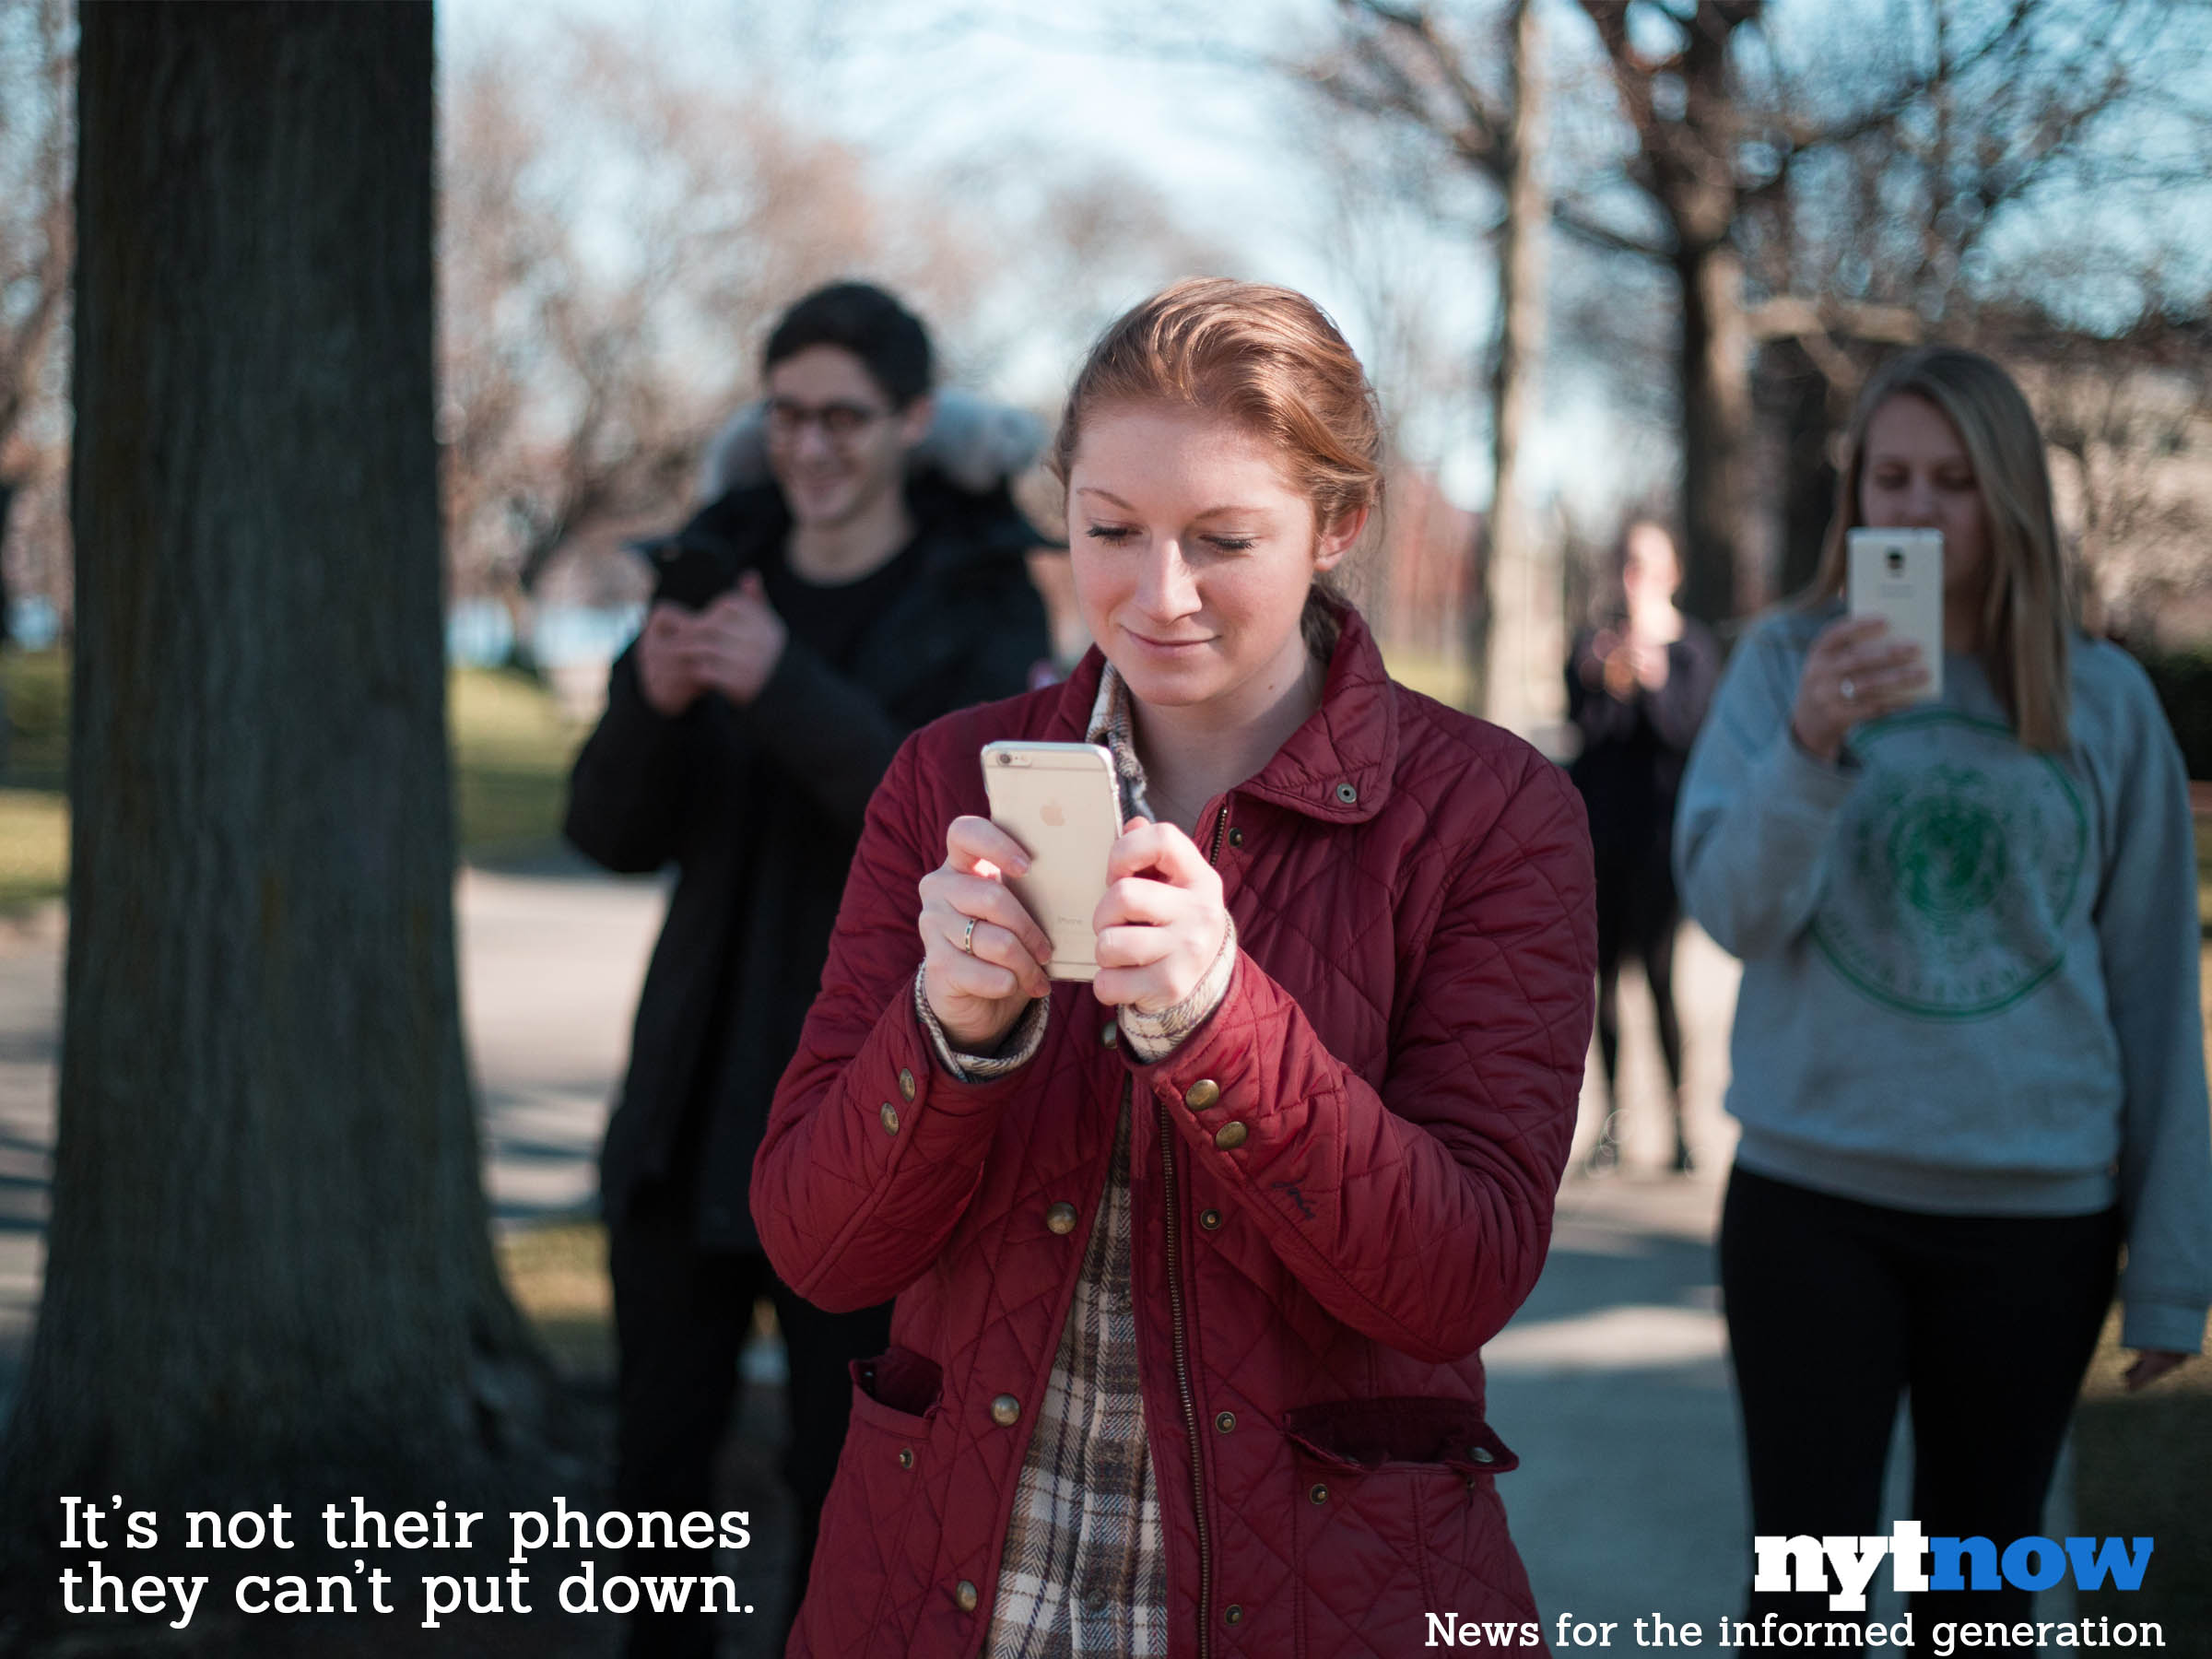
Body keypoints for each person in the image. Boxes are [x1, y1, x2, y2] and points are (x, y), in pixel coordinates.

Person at [752, 279, 1596, 1658]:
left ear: (1340, 524)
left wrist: (1221, 1023)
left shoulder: (1494, 815)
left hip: (1333, 1599)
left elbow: (1460, 1281)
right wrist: (946, 1040)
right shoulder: (947, 775)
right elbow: (819, 1245)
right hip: (949, 1595)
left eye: (1223, 540)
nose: (1159, 595)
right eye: (1111, 531)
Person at [1675, 345, 2212, 1633]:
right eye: (1890, 478)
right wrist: (1810, 747)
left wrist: (2174, 1263)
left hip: (2036, 1219)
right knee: (1804, 1598)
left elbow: (2152, 986)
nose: (1913, 512)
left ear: (2012, 499)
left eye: (1954, 483)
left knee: (1976, 1600)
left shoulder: (2106, 700)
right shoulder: (1783, 667)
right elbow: (1734, 913)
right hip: (1816, 1202)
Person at [563, 280, 1053, 1659]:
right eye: (786, 416)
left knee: (845, 1490)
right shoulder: (715, 567)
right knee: (652, 1492)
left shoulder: (976, 598)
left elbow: (967, 834)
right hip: (686, 1105)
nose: (812, 447)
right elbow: (604, 830)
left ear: (910, 421)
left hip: (871, 1116)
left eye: (845, 416)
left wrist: (778, 682)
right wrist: (653, 708)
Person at [1567, 519, 1719, 1174]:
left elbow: (1689, 735)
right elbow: (1583, 729)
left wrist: (1654, 678)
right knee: (1602, 984)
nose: (1636, 580)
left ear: (1672, 576)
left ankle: (1681, 1127)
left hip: (1661, 846)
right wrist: (1603, 676)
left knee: (1659, 982)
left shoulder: (1692, 652)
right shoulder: (1594, 645)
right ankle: (1614, 1125)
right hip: (1601, 842)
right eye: (1629, 564)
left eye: (1649, 567)